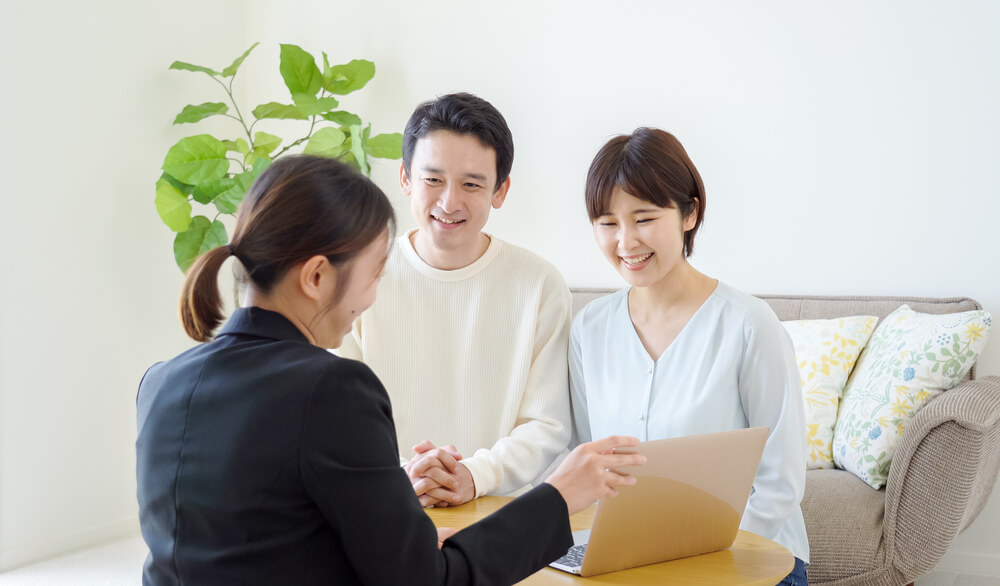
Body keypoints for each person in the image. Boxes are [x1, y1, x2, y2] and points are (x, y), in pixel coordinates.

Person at [135, 155, 644, 585]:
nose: (373, 296)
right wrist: (559, 496)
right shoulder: (331, 388)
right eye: (375, 274)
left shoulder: (160, 383)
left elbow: (261, 546)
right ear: (316, 276)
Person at [569, 128, 810, 585]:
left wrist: (698, 566)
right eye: (607, 223)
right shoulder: (589, 328)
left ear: (689, 213)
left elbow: (780, 483)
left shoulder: (748, 323)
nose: (626, 242)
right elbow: (585, 461)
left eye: (644, 219)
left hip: (754, 557)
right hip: (636, 563)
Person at [337, 93, 573, 507]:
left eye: (471, 184)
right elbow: (338, 415)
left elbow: (546, 424)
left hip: (497, 515)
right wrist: (401, 476)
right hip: (378, 509)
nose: (449, 202)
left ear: (500, 191)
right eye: (433, 179)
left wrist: (473, 475)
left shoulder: (540, 284)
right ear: (405, 178)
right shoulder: (356, 274)